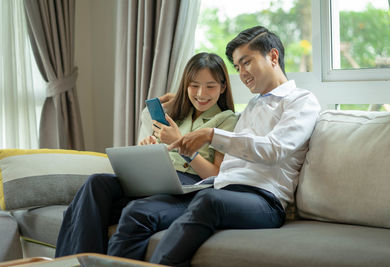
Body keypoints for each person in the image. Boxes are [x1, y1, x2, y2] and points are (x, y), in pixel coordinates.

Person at [104, 26, 321, 266]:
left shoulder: (301, 101)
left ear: (273, 56)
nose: (242, 73)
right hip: (218, 189)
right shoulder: (252, 106)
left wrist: (210, 134)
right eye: (238, 67)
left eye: (246, 62)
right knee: (138, 211)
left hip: (264, 200)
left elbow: (274, 149)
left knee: (207, 202)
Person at [55, 52, 238, 257]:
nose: (201, 93)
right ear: (185, 85)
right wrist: (149, 149)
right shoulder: (177, 116)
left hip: (188, 187)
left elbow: (215, 174)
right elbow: (161, 151)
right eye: (194, 85)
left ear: (223, 87)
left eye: (210, 86)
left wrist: (180, 145)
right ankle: (78, 262)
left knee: (94, 209)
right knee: (96, 184)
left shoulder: (227, 120)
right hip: (158, 179)